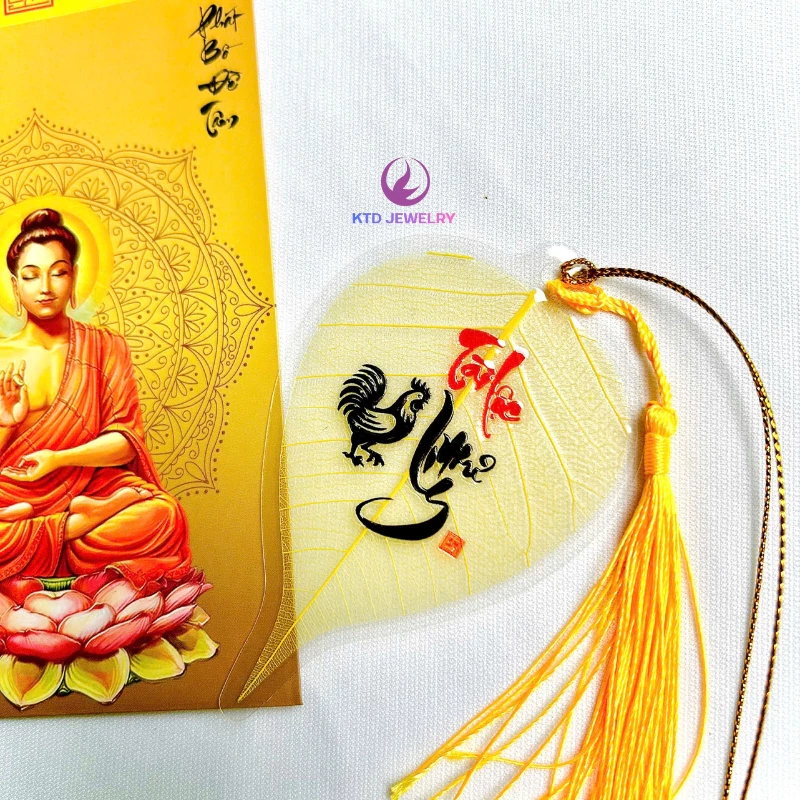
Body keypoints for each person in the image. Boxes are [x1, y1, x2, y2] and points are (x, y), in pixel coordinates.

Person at [0, 208, 191, 586]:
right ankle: (76, 525)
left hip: (89, 485)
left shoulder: (105, 347)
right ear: (14, 285)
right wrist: (7, 423)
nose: (45, 287)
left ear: (74, 277)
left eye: (58, 273)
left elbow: (125, 443)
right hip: (13, 491)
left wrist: (59, 458)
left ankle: (63, 526)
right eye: (31, 275)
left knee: (164, 517)